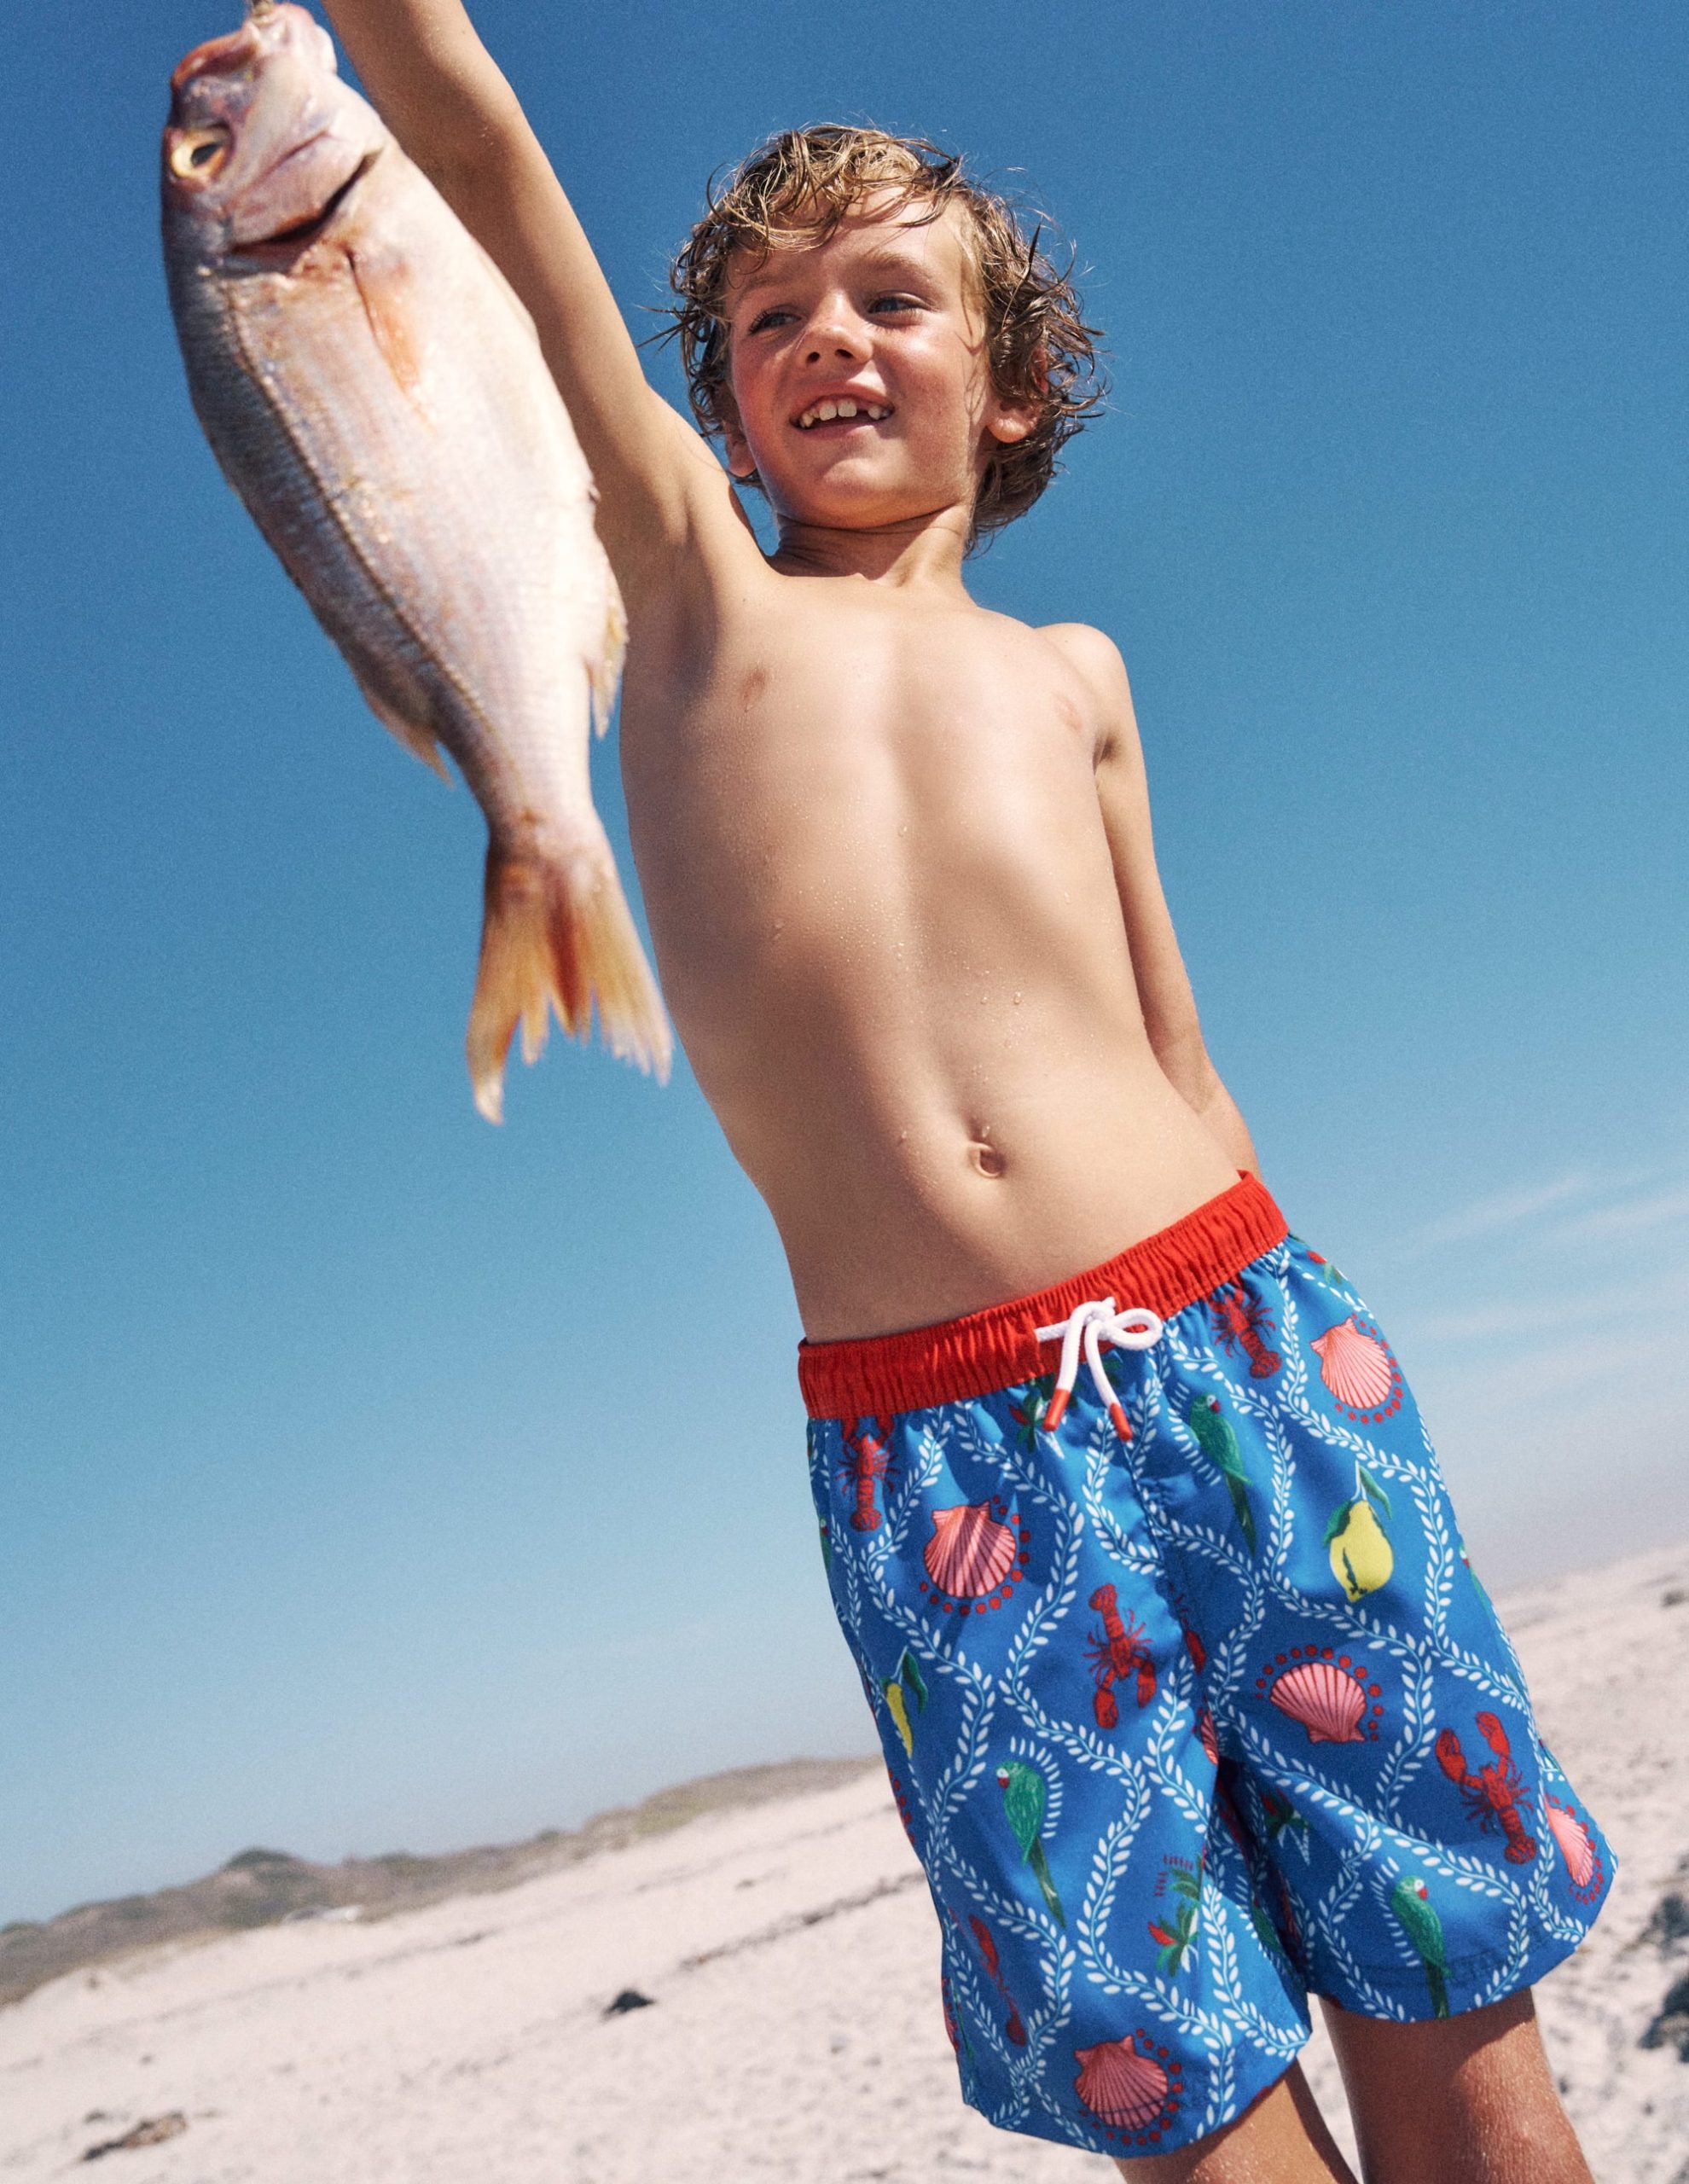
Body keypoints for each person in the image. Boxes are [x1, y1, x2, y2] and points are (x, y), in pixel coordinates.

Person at [319, 5, 1611, 2174]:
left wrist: (1303, 1351)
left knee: (1455, 2002)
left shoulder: (1074, 675)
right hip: (949, 1446)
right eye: (765, 315)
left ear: (1006, 386)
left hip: (1255, 1349)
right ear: (714, 407)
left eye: (888, 296)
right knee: (1171, 2077)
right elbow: (485, 163)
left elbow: (1174, 1040)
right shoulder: (689, 588)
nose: (824, 333)